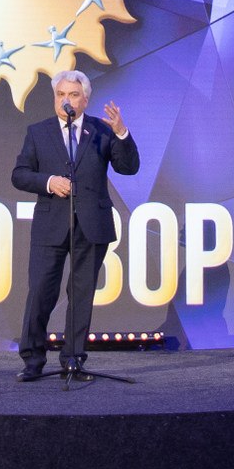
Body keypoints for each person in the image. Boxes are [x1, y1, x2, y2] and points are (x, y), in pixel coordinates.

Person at [12, 70, 139, 384]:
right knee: (41, 292)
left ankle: (73, 359)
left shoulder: (102, 130)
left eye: (73, 95)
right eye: (60, 94)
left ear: (85, 99)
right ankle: (32, 360)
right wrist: (49, 182)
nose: (65, 100)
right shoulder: (38, 132)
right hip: (50, 224)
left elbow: (129, 168)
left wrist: (122, 133)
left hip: (91, 224)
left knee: (81, 295)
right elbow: (20, 174)